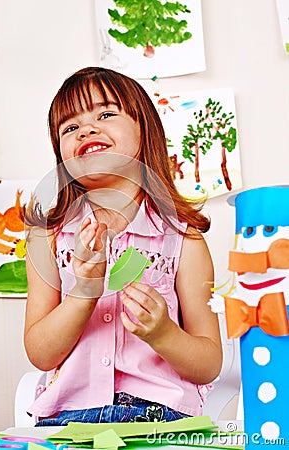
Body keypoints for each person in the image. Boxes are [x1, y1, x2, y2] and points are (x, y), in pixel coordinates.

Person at [23, 66, 222, 426]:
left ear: (143, 129)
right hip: (68, 421)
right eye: (70, 127)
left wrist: (164, 334)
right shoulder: (47, 237)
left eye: (105, 114)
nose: (86, 129)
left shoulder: (184, 238)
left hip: (162, 420)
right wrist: (84, 292)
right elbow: (40, 353)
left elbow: (208, 363)